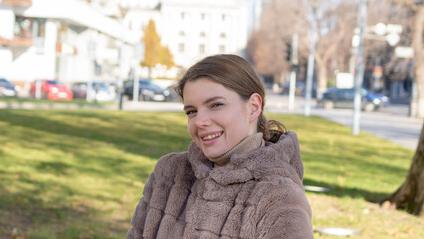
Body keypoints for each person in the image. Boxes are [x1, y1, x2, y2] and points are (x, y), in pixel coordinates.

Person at [126, 54, 313, 239]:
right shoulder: (169, 174)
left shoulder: (280, 197)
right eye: (192, 111)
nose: (200, 121)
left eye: (216, 105)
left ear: (254, 107)